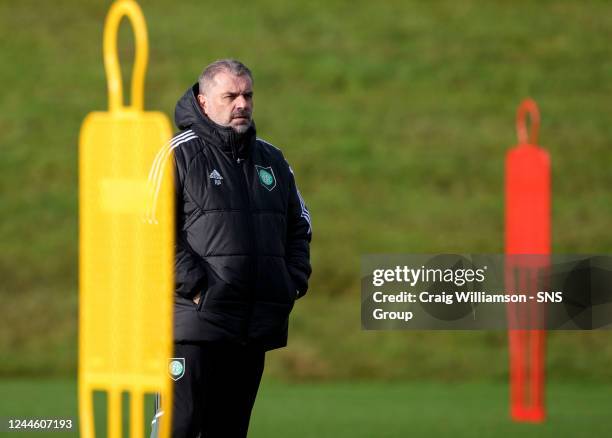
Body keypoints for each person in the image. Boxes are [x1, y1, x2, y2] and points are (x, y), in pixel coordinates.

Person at [150, 59, 312, 437]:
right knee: (180, 427)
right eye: (231, 96)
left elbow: (300, 224)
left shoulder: (272, 159)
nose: (242, 104)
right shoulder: (178, 154)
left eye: (247, 95)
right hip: (191, 325)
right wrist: (196, 287)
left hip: (250, 327)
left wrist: (289, 282)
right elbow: (149, 229)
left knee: (229, 430)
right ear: (204, 102)